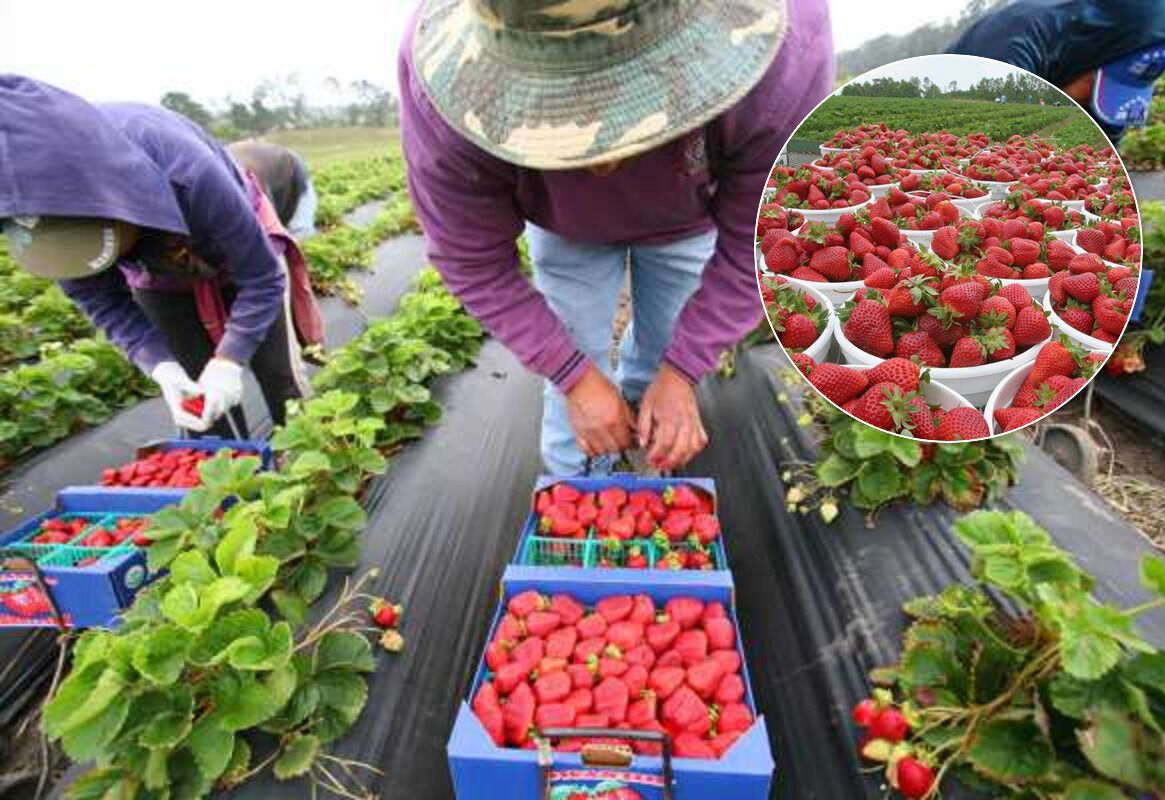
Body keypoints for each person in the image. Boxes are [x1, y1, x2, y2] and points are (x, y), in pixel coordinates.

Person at [399, 0, 833, 475]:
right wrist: (574, 377)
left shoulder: (789, 47)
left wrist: (683, 369)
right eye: (562, 110)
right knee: (575, 368)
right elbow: (472, 260)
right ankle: (577, 490)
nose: (604, 163)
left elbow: (767, 239)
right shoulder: (443, 90)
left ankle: (653, 469)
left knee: (665, 355)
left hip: (687, 218)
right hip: (564, 226)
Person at [0, 76, 319, 437]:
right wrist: (160, 365)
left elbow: (262, 279)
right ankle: (227, 475)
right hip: (157, 277)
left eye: (93, 241)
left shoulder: (187, 169)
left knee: (278, 375)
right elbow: (101, 301)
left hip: (233, 253)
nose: (86, 261)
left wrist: (229, 360)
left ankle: (303, 461)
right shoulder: (38, 207)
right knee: (196, 398)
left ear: (118, 205)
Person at [948, 0, 1165, 142]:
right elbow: (974, 153)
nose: (1091, 102)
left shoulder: (1160, 36)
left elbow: (1107, 139)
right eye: (1097, 84)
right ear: (1087, 54)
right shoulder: (1008, 50)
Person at [227, 140, 319, 240]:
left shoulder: (251, 185)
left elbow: (269, 232)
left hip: (291, 168)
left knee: (299, 233)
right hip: (262, 166)